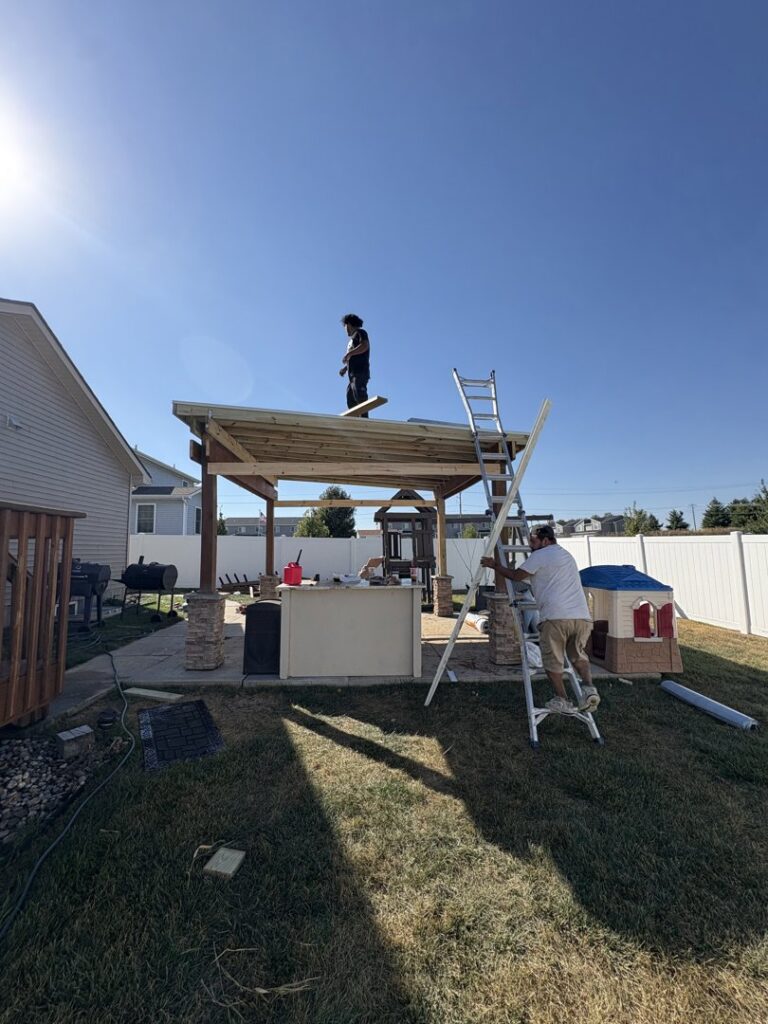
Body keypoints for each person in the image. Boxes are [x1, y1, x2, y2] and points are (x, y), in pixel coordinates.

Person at [481, 524, 600, 715]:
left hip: (556, 618)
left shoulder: (541, 555)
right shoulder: (566, 556)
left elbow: (516, 576)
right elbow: (545, 579)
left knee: (552, 661)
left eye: (534, 542)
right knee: (578, 656)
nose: (530, 546)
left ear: (546, 540)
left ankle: (562, 700)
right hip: (582, 618)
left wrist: (494, 565)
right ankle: (589, 689)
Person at [339, 313, 371, 416]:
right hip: (352, 374)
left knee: (359, 393)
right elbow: (353, 358)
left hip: (360, 372)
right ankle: (355, 419)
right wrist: (345, 368)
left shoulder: (360, 333)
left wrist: (349, 353)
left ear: (349, 324)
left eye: (346, 327)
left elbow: (364, 346)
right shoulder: (351, 341)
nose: (346, 330)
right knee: (350, 396)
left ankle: (364, 419)